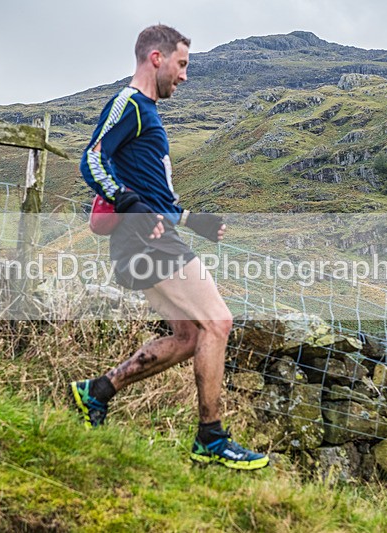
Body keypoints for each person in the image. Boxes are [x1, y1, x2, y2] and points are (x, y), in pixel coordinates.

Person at [71, 24, 268, 470]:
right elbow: (93, 158)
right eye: (181, 65)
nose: (184, 76)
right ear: (156, 58)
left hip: (150, 235)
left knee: (188, 337)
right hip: (144, 238)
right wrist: (126, 201)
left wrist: (192, 221)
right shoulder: (131, 104)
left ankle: (96, 393)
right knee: (219, 321)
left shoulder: (149, 116)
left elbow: (155, 198)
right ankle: (211, 439)